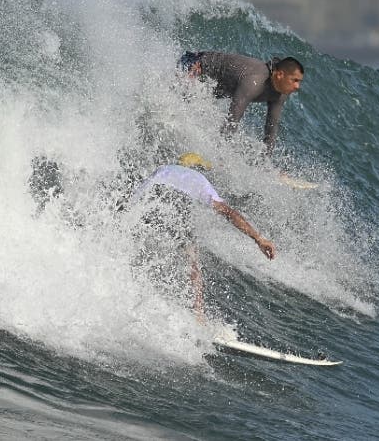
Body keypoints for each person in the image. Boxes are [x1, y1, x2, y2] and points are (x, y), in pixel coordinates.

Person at [130, 152, 275, 320]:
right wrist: (259, 239)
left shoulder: (164, 169)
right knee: (192, 259)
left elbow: (138, 194)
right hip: (175, 200)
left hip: (151, 196)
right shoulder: (201, 181)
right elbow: (228, 212)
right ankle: (198, 314)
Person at [177, 51, 304, 152]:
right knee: (177, 104)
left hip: (209, 84)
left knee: (189, 109)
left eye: (299, 82)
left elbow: (271, 129)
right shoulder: (254, 82)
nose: (297, 86)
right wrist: (219, 154)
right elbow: (232, 121)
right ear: (280, 74)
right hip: (196, 64)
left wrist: (265, 164)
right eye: (295, 80)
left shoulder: (281, 94)